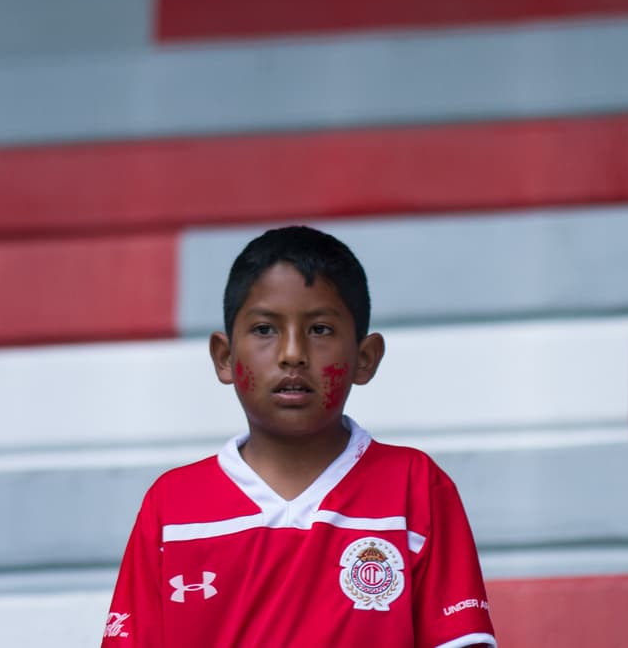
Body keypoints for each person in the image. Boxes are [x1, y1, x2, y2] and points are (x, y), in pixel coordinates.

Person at [102, 226, 497, 647]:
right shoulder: (172, 506)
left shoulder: (415, 486)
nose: (292, 352)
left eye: (321, 329)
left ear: (365, 359)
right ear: (224, 357)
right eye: (265, 329)